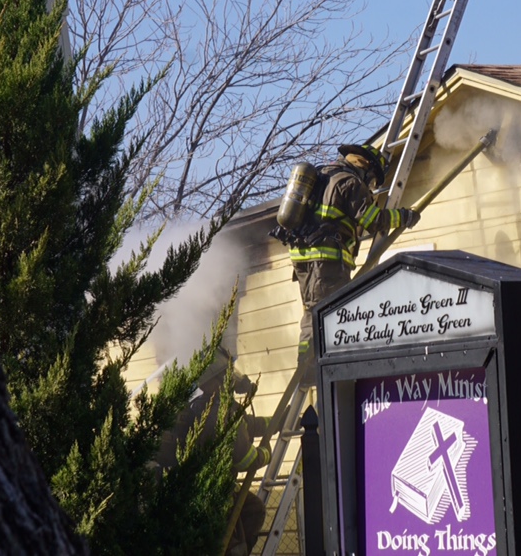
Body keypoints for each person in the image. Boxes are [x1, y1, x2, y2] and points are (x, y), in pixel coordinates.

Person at [288, 143, 420, 382]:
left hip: (303, 260)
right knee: (327, 315)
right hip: (327, 262)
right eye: (372, 181)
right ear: (366, 167)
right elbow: (373, 220)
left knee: (311, 312)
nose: (371, 186)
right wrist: (405, 216)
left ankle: (305, 369)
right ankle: (315, 370)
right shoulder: (350, 183)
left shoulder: (323, 177)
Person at [155, 349, 270, 556]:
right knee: (238, 531)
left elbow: (246, 424)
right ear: (215, 380)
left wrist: (276, 422)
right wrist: (265, 453)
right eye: (226, 375)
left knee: (251, 510)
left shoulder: (201, 407)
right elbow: (244, 459)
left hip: (192, 490)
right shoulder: (219, 411)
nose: (231, 380)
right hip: (211, 493)